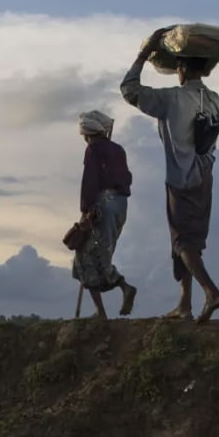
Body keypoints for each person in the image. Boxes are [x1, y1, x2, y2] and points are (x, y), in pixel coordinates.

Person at [121, 28, 219, 324]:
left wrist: (143, 53)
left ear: (182, 67)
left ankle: (211, 292)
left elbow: (129, 89)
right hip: (205, 179)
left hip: (181, 179)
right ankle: (184, 304)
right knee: (189, 241)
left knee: (183, 242)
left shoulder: (173, 98)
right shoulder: (215, 102)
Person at [72, 110, 138, 321]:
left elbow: (90, 179)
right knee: (98, 254)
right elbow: (127, 178)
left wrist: (86, 208)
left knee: (86, 256)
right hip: (120, 206)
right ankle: (111, 300)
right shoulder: (118, 150)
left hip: (102, 205)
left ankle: (113, 298)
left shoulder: (93, 150)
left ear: (87, 133)